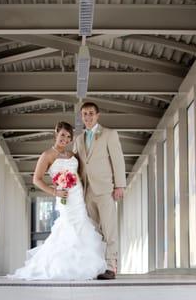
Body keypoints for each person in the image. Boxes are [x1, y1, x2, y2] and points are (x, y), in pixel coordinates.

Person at [7, 121, 107, 281]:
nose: (65, 139)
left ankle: (82, 267)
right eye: (62, 135)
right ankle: (64, 267)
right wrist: (55, 191)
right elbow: (36, 180)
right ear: (56, 134)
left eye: (68, 137)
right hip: (64, 197)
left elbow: (80, 175)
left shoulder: (72, 155)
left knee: (82, 226)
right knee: (68, 228)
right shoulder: (47, 155)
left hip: (78, 197)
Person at [74, 102, 126, 280]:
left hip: (105, 189)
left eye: (90, 114)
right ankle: (97, 266)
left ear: (98, 115)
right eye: (84, 114)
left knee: (109, 229)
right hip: (87, 190)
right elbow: (77, 164)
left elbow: (118, 160)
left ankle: (111, 266)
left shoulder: (109, 134)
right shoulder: (79, 139)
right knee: (94, 232)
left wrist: (120, 185)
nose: (87, 117)